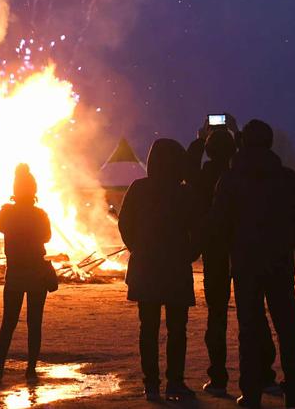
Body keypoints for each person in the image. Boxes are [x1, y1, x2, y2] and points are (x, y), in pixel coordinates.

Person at [210, 120, 295, 409]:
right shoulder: (288, 178)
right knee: (287, 328)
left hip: (245, 265)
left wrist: (235, 246)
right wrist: (286, 242)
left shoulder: (229, 179)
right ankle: (294, 392)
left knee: (249, 329)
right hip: (279, 262)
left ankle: (251, 394)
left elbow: (219, 222)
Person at [120, 139, 199, 401]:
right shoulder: (185, 193)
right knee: (178, 329)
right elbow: (198, 228)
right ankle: (175, 382)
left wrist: (138, 249)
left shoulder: (138, 188)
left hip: (147, 268)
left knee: (148, 328)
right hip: (176, 267)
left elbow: (124, 225)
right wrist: (189, 254)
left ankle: (151, 384)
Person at [0, 164, 55, 384]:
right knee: (34, 323)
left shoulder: (6, 213)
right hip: (36, 271)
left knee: (8, 322)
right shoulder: (40, 215)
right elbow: (46, 237)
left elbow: (0, 227)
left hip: (16, 272)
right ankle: (31, 369)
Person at [190, 127, 236, 396]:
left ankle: (218, 378)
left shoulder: (204, 177)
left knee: (216, 316)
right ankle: (263, 376)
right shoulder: (242, 175)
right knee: (253, 317)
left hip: (215, 253)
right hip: (244, 251)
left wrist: (199, 140)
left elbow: (187, 172)